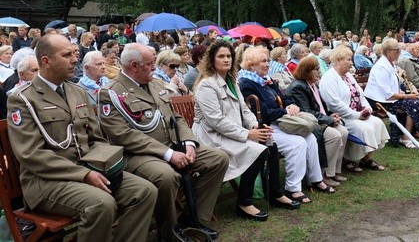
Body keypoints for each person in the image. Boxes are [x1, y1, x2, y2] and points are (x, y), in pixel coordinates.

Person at [7, 34, 157, 242]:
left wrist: (106, 165)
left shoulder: (76, 91)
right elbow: (31, 154)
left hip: (90, 169)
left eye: (74, 53)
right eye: (66, 55)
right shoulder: (23, 99)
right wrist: (84, 174)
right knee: (100, 204)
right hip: (47, 182)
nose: (75, 59)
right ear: (46, 61)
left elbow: (96, 139)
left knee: (145, 191)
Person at [98, 43, 227, 242]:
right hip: (138, 156)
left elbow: (176, 117)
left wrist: (189, 143)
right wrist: (168, 154)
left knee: (217, 159)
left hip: (174, 146)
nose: (155, 67)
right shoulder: (112, 93)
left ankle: (192, 222)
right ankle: (170, 232)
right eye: (149, 64)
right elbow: (123, 135)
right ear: (134, 66)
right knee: (166, 176)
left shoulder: (155, 83)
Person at [193, 41, 299, 222]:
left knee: (269, 143)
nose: (226, 59)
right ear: (211, 60)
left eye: (228, 56)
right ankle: (244, 202)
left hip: (230, 132)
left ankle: (275, 193)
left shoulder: (231, 80)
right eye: (221, 56)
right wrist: (248, 134)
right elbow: (216, 121)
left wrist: (255, 126)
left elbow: (244, 110)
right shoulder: (206, 85)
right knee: (257, 150)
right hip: (211, 137)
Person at [239, 46, 334, 205]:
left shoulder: (265, 79)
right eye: (263, 61)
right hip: (264, 128)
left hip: (280, 123)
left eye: (267, 60)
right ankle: (293, 188)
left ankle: (316, 179)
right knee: (297, 143)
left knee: (310, 137)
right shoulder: (246, 84)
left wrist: (292, 106)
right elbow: (263, 113)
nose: (267, 64)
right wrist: (285, 111)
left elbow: (284, 98)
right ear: (251, 65)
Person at [319, 46, 389, 170]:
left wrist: (367, 108)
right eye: (349, 59)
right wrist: (357, 115)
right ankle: (348, 160)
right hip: (342, 116)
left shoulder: (348, 76)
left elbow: (360, 94)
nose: (352, 63)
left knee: (377, 123)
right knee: (365, 128)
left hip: (358, 113)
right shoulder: (329, 78)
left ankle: (366, 159)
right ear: (339, 60)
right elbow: (334, 104)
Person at [286, 56, 349, 184]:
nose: (319, 71)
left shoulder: (311, 85)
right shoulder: (299, 87)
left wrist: (331, 116)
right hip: (306, 123)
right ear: (308, 71)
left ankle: (333, 172)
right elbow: (306, 112)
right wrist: (328, 120)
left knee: (343, 131)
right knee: (334, 135)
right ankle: (322, 173)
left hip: (317, 120)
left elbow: (320, 108)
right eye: (317, 69)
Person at [364, 39, 419, 148]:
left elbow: (394, 87)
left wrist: (408, 92)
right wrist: (408, 96)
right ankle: (406, 137)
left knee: (416, 102)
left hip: (388, 98)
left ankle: (407, 135)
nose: (399, 53)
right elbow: (388, 94)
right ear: (388, 52)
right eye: (397, 51)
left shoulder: (391, 64)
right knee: (414, 104)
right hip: (378, 100)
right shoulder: (381, 67)